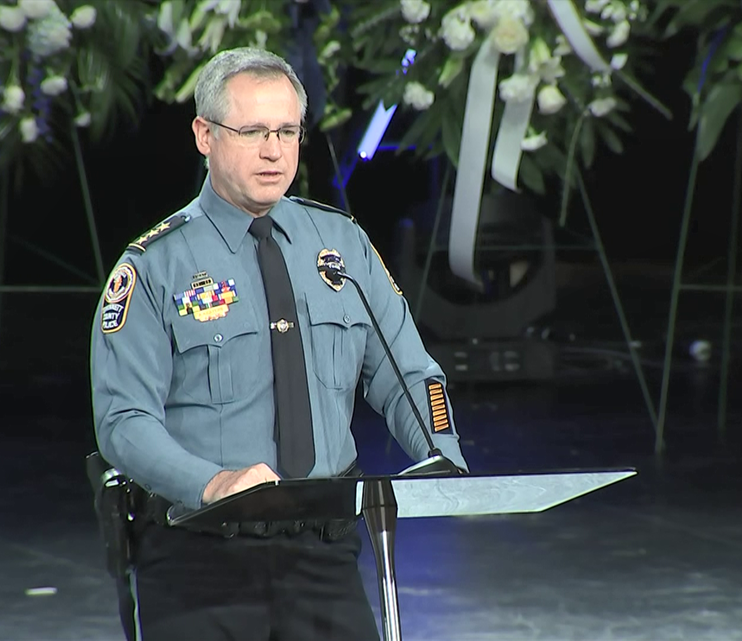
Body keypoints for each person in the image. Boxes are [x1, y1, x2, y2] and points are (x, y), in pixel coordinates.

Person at [89, 46, 469, 641]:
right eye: (252, 131)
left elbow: (408, 374)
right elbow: (123, 422)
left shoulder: (340, 245)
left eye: (287, 131)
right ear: (204, 135)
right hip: (199, 555)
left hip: (324, 552)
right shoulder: (155, 266)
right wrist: (213, 485)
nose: (273, 150)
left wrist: (440, 453)